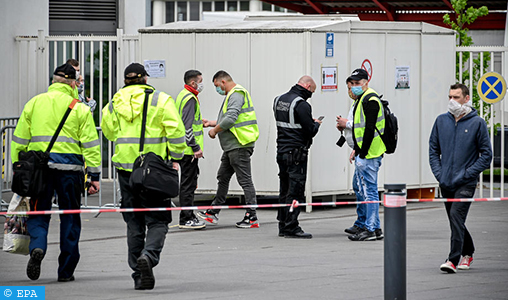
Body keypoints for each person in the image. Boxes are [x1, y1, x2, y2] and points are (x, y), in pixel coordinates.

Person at [11, 63, 101, 282]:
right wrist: (95, 176)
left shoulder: (34, 102)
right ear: (71, 83)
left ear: (53, 81)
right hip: (70, 171)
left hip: (39, 172)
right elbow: (90, 143)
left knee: (37, 213)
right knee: (70, 218)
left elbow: (19, 139)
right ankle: (66, 271)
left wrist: (18, 168)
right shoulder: (79, 108)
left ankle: (38, 247)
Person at [101, 63, 186, 290]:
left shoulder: (114, 102)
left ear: (126, 80)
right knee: (158, 220)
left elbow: (108, 132)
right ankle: (148, 256)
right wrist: (176, 157)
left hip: (126, 170)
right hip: (154, 170)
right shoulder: (161, 100)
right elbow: (176, 131)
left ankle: (138, 275)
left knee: (134, 222)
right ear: (145, 79)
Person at [429, 83, 492, 273]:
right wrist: (439, 174)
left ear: (466, 98)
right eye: (450, 97)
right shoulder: (441, 121)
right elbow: (433, 150)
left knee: (456, 215)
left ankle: (452, 259)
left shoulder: (477, 123)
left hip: (465, 183)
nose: (451, 101)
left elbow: (486, 155)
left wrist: (467, 174)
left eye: (456, 97)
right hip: (446, 181)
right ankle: (468, 252)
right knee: (455, 220)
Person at [196, 70, 260, 228]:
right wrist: (211, 123)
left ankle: (251, 217)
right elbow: (228, 118)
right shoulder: (232, 95)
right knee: (223, 177)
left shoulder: (236, 94)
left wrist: (214, 131)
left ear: (222, 82)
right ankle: (213, 212)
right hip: (232, 146)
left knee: (244, 180)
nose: (217, 89)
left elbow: (231, 118)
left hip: (239, 145)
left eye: (217, 85)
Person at [336, 69, 385, 241]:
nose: (354, 87)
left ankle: (370, 229)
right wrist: (356, 149)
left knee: (369, 192)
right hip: (365, 151)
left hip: (370, 153)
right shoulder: (362, 99)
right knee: (362, 188)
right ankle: (373, 227)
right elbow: (362, 128)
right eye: (352, 84)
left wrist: (362, 152)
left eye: (357, 83)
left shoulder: (370, 99)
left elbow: (370, 129)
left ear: (366, 82)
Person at [274, 75, 320, 239]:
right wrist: (316, 124)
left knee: (284, 190)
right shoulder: (302, 104)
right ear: (307, 87)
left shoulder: (278, 100)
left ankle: (282, 224)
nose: (311, 95)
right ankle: (291, 226)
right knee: (295, 191)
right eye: (312, 92)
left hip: (281, 151)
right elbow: (310, 130)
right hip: (297, 153)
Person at [174, 70, 206, 230]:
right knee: (188, 184)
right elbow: (187, 127)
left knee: (189, 183)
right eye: (200, 81)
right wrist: (195, 147)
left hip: (184, 149)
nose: (202, 84)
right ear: (193, 83)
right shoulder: (190, 99)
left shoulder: (183, 95)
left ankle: (189, 215)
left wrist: (200, 121)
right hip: (189, 151)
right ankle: (186, 218)